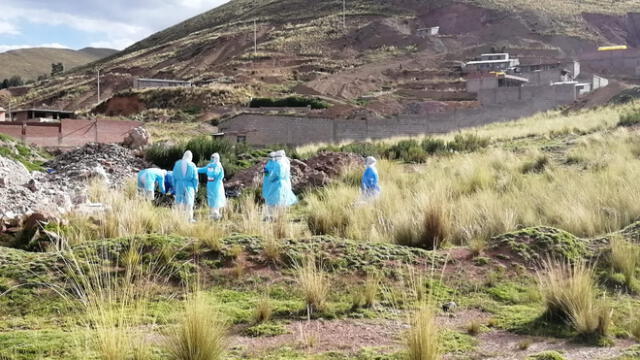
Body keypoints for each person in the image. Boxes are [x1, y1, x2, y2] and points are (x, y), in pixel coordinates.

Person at [263, 150, 298, 219]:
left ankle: (274, 216)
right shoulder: (285, 163)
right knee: (282, 200)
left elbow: (275, 175)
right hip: (283, 184)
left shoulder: (278, 164)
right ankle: (281, 216)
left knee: (275, 200)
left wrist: (269, 177)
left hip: (277, 185)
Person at [198, 153, 226, 220]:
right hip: (210, 185)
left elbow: (215, 174)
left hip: (216, 185)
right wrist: (195, 168)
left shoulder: (218, 166)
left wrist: (211, 170)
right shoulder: (210, 165)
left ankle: (216, 214)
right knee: (211, 198)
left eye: (213, 157)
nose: (212, 158)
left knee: (216, 198)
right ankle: (213, 213)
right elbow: (202, 170)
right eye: (212, 157)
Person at [172, 150, 199, 222]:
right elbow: (195, 178)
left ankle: (178, 217)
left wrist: (174, 186)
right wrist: (196, 187)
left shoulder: (177, 163)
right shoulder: (192, 165)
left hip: (178, 184)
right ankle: (189, 218)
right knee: (189, 201)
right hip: (189, 185)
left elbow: (173, 176)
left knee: (179, 201)